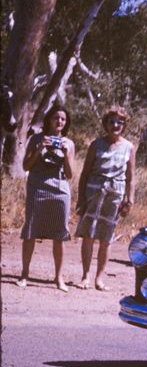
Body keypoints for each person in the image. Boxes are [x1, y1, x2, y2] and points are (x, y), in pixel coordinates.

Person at [74, 105, 136, 290]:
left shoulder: (129, 147)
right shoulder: (96, 144)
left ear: (124, 125)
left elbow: (131, 177)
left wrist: (129, 200)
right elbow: (84, 173)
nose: (115, 125)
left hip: (115, 195)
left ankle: (99, 279)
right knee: (89, 235)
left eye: (120, 122)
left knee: (106, 237)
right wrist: (80, 198)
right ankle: (85, 276)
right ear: (106, 124)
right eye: (111, 121)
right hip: (94, 192)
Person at [18, 104, 76, 290]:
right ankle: (24, 274)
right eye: (56, 118)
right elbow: (26, 166)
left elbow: (70, 174)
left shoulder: (69, 143)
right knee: (31, 231)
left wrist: (66, 154)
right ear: (49, 120)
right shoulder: (36, 139)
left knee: (60, 233)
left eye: (63, 119)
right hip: (38, 186)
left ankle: (58, 278)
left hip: (60, 189)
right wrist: (39, 149)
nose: (59, 122)